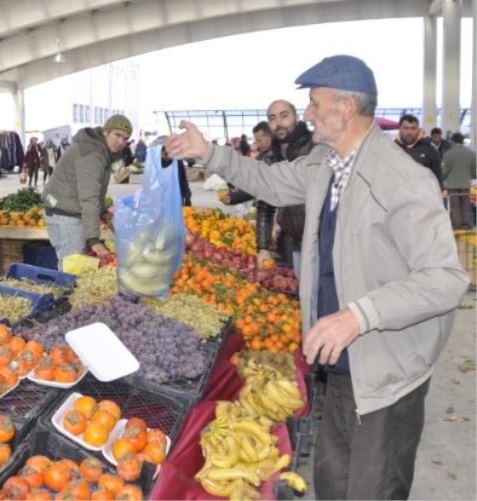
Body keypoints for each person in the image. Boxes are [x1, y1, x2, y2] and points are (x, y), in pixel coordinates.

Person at [166, 55, 468, 500]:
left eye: (314, 103)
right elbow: (267, 181)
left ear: (346, 108)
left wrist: (359, 316)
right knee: (331, 483)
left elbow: (445, 278)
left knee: (372, 489)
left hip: (386, 373)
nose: (306, 113)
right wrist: (209, 153)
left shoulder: (404, 179)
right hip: (341, 367)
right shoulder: (325, 164)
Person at [42, 115, 131, 269]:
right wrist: (94, 240)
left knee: (76, 265)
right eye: (117, 135)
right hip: (64, 215)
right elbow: (89, 198)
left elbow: (94, 190)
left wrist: (103, 213)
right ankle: (66, 292)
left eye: (125, 138)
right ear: (106, 132)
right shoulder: (93, 154)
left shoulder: (99, 150)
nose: (121, 142)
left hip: (66, 210)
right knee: (72, 268)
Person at [267, 99, 315, 272]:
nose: (278, 123)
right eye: (272, 118)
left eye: (284, 116)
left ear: (295, 117)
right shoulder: (272, 156)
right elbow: (266, 201)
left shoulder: (314, 147)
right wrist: (263, 246)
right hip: (295, 240)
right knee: (303, 292)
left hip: (322, 243)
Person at [222, 121, 278, 267]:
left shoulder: (272, 158)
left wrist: (234, 197)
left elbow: (257, 189)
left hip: (280, 217)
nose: (257, 144)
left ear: (269, 136)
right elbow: (254, 185)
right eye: (255, 140)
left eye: (259, 140)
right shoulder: (265, 155)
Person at [441, 132, 476, 229]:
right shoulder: (471, 154)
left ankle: (457, 226)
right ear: (462, 141)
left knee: (455, 207)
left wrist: (441, 180)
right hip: (465, 184)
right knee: (465, 206)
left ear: (452, 141)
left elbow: (444, 171)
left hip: (452, 186)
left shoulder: (449, 154)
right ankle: (465, 225)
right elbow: (474, 172)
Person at [396, 114, 442, 185]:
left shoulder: (429, 149)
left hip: (423, 194)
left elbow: (438, 176)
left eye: (413, 128)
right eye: (406, 128)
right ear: (400, 129)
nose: (409, 132)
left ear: (418, 129)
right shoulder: (392, 149)